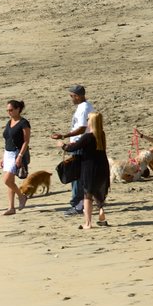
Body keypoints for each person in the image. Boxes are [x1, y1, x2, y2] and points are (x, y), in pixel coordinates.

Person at [57, 112, 109, 230]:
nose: (87, 121)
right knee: (98, 191)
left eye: (88, 119)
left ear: (92, 122)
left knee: (87, 194)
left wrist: (62, 145)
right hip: (102, 166)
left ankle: (88, 222)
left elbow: (72, 148)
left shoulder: (88, 136)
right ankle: (101, 213)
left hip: (89, 167)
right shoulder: (101, 135)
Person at [51, 85, 93, 215]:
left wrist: (64, 136)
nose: (71, 99)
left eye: (72, 96)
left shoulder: (84, 108)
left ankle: (77, 205)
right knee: (78, 175)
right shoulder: (85, 106)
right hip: (81, 144)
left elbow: (82, 128)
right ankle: (81, 203)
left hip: (80, 145)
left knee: (76, 175)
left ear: (78, 96)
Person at [1, 100, 31, 216]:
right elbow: (7, 140)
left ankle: (21, 196)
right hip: (8, 153)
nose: (9, 112)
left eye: (11, 110)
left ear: (18, 109)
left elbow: (26, 141)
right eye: (8, 110)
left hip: (17, 153)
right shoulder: (9, 122)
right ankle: (11, 207)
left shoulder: (24, 123)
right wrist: (3, 156)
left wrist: (20, 156)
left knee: (7, 180)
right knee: (10, 181)